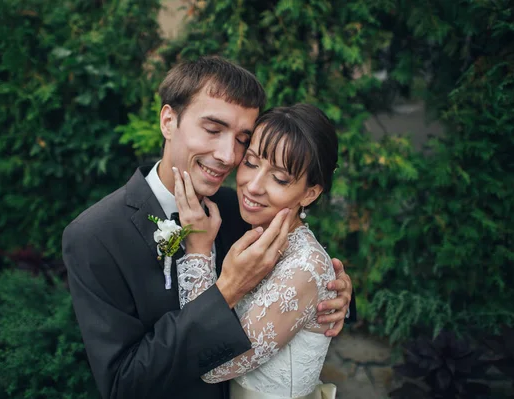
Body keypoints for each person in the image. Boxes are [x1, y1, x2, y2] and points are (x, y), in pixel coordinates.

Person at [61, 56, 354, 399]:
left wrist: (339, 296)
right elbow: (124, 385)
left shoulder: (240, 209)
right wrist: (227, 288)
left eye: (243, 139)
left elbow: (296, 280)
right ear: (169, 121)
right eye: (213, 130)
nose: (229, 155)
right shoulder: (94, 236)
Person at [173, 104, 341, 398]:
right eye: (250, 163)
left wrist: (198, 251)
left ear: (310, 193)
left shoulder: (305, 269)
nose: (253, 186)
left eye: (279, 178)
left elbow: (209, 365)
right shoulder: (249, 225)